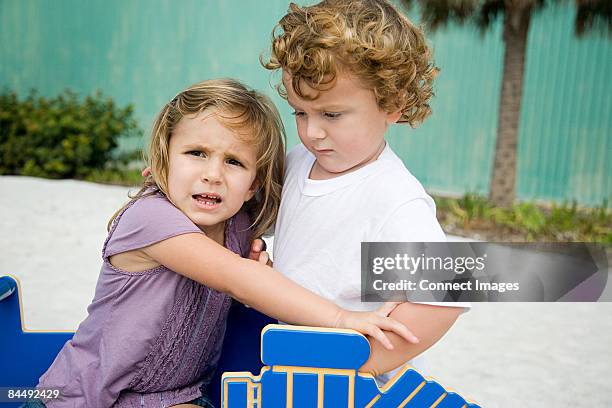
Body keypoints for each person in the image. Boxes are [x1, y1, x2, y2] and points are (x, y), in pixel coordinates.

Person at [30, 79, 416, 408]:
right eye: (196, 154)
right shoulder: (151, 217)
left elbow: (461, 285)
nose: (212, 174)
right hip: (82, 397)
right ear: (164, 159)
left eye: (234, 162)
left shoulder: (400, 195)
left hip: (174, 396)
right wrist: (341, 319)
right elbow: (238, 277)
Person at [258, 0, 471, 383]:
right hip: (292, 363)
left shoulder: (392, 197)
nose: (313, 132)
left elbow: (446, 296)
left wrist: (363, 361)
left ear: (393, 104)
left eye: (332, 115)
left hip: (353, 382)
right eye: (300, 113)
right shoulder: (299, 162)